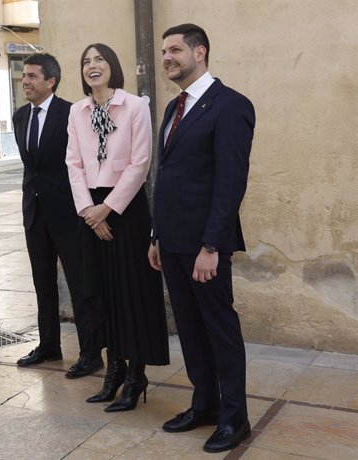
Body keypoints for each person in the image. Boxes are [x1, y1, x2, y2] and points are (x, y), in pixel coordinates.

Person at [149, 24, 255, 453]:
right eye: (163, 51)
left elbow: (231, 183)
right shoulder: (175, 107)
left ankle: (235, 418)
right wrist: (156, 235)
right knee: (190, 331)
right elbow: (167, 178)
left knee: (219, 330)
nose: (167, 57)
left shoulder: (231, 106)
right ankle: (205, 404)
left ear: (200, 52)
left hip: (204, 246)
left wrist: (211, 246)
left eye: (175, 49)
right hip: (171, 242)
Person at [66, 43, 169, 412]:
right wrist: (88, 212)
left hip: (126, 210)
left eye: (99, 59)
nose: (93, 66)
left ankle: (136, 375)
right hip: (90, 211)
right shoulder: (77, 111)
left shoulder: (135, 106)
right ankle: (113, 372)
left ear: (113, 66)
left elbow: (141, 164)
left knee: (131, 293)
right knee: (101, 294)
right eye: (86, 61)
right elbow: (73, 164)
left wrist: (108, 209)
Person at [12, 53, 104, 379]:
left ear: (50, 81)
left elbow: (84, 163)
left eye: (32, 76)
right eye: (24, 75)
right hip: (35, 214)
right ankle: (49, 345)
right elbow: (31, 168)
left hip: (69, 213)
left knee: (81, 285)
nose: (25, 81)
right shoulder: (20, 116)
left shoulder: (73, 113)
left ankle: (91, 353)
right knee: (43, 284)